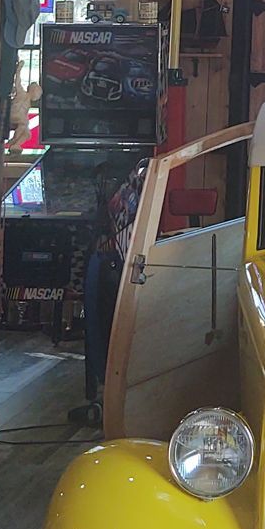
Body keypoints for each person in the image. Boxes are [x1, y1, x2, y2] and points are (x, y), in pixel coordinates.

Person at [81, 155, 147, 414]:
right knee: (100, 323)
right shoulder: (130, 187)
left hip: (116, 262)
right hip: (109, 261)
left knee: (105, 324)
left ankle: (109, 385)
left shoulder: (131, 189)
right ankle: (106, 384)